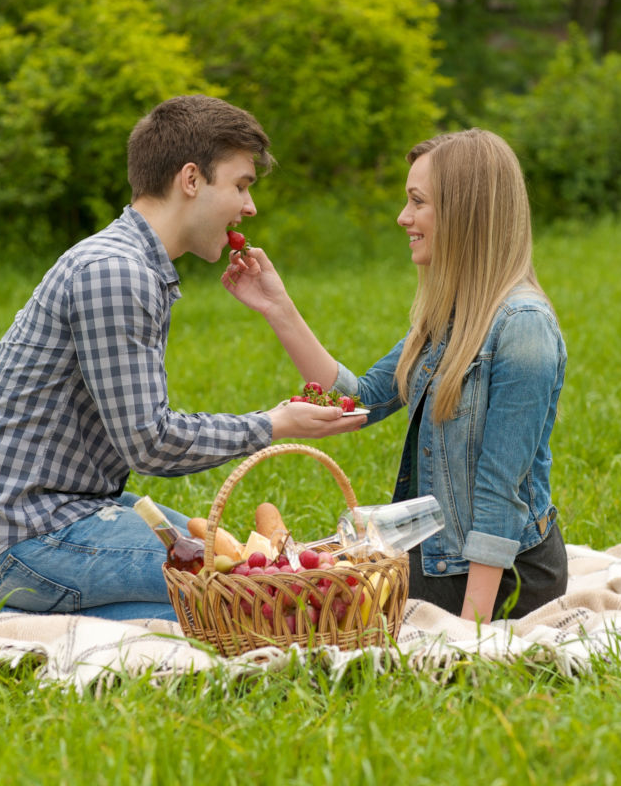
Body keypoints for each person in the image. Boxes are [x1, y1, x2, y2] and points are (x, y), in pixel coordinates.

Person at [0, 95, 366, 621]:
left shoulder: (132, 263)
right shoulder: (117, 272)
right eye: (241, 185)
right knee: (255, 598)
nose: (249, 207)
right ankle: (44, 606)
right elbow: (151, 444)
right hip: (22, 535)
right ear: (190, 179)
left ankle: (56, 615)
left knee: (247, 571)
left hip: (62, 513)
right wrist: (274, 424)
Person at [222, 128, 568, 621]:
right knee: (300, 600)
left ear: (464, 214)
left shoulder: (523, 328)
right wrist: (277, 308)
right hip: (436, 560)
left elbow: (498, 496)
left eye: (417, 202)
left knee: (317, 616)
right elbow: (361, 401)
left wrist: (470, 637)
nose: (402, 217)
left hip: (503, 582)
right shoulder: (448, 318)